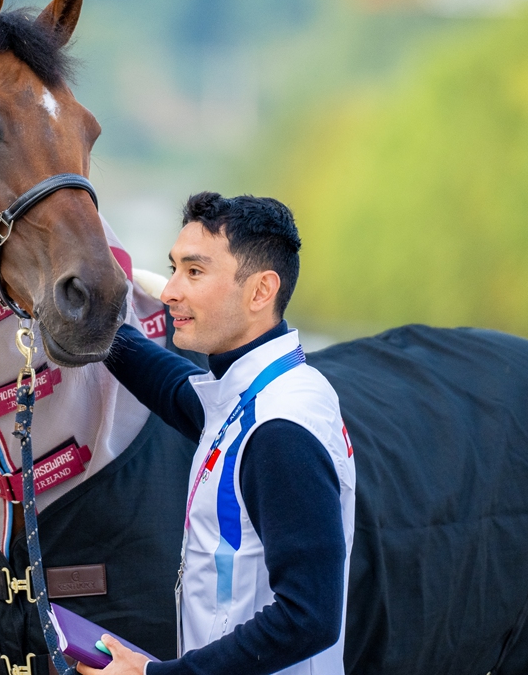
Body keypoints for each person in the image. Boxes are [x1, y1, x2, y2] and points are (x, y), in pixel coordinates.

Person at [79, 193, 356, 675]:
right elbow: (173, 387)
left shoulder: (280, 427)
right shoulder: (262, 390)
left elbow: (309, 617)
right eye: (173, 268)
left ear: (260, 291)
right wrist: (87, 315)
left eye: (194, 271)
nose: (169, 292)